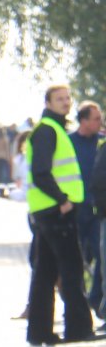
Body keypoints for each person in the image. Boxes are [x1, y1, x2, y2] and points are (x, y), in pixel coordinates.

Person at [23, 84, 96, 345]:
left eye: (67, 98)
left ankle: (39, 332)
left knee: (45, 273)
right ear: (48, 103)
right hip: (56, 211)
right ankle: (78, 328)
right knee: (71, 268)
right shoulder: (48, 130)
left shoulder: (53, 129)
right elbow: (40, 172)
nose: (65, 102)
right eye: (59, 99)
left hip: (48, 210)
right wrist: (62, 200)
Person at [71, 102, 103, 312]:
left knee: (102, 256)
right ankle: (77, 301)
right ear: (84, 121)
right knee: (75, 258)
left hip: (97, 209)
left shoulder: (102, 142)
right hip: (75, 209)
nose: (100, 122)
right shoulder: (68, 142)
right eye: (96, 119)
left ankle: (95, 299)